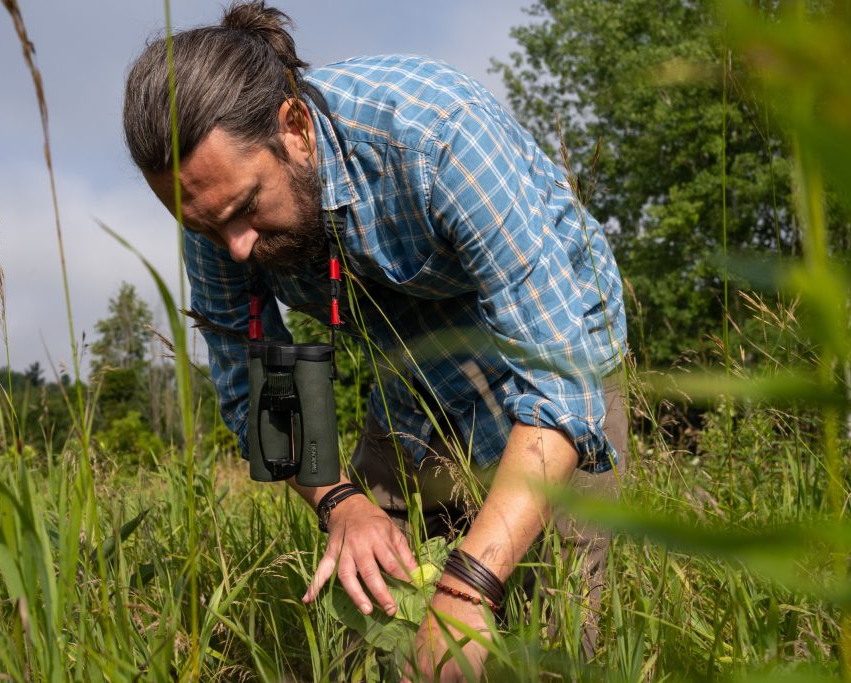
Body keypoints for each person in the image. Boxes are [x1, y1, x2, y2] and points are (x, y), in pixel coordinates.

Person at [123, 2, 628, 679]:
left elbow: (559, 386)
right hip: (413, 374)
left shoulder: (439, 135)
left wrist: (469, 585)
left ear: (294, 127)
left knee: (553, 631)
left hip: (554, 351)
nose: (233, 247)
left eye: (244, 209)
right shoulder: (215, 209)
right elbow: (262, 391)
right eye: (204, 225)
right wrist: (340, 501)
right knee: (368, 621)